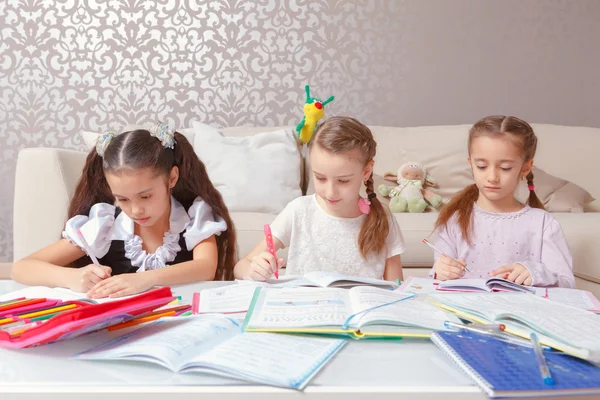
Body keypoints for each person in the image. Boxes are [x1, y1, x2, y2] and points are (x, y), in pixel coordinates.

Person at [12, 122, 237, 297]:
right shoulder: (106, 226)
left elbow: (205, 267)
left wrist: (145, 279)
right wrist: (72, 276)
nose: (136, 210)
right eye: (123, 199)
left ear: (172, 178)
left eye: (146, 196)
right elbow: (22, 268)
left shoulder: (193, 216)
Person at [234, 116, 405, 281]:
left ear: (366, 171)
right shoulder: (299, 211)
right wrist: (253, 270)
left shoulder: (383, 219)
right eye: (320, 178)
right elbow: (241, 266)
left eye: (343, 180)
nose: (330, 192)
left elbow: (396, 286)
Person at [431, 115, 574, 287]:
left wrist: (534, 273)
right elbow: (438, 279)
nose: (492, 177)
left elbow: (567, 284)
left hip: (521, 312)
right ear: (470, 164)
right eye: (482, 166)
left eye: (505, 168)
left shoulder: (542, 223)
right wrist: (440, 272)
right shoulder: (454, 220)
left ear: (525, 168)